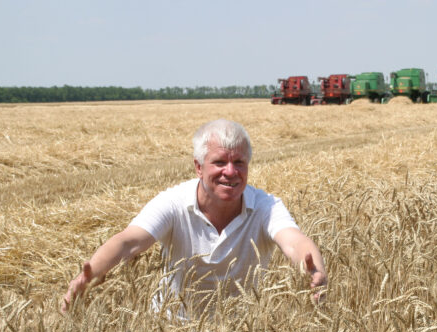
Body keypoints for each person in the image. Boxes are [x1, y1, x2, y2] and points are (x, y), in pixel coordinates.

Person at [62, 119, 326, 315]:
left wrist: (314, 269)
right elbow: (129, 241)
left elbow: (294, 241)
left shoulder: (266, 206)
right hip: (171, 331)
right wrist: (90, 274)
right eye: (219, 162)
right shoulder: (173, 203)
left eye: (239, 163)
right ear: (199, 167)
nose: (230, 172)